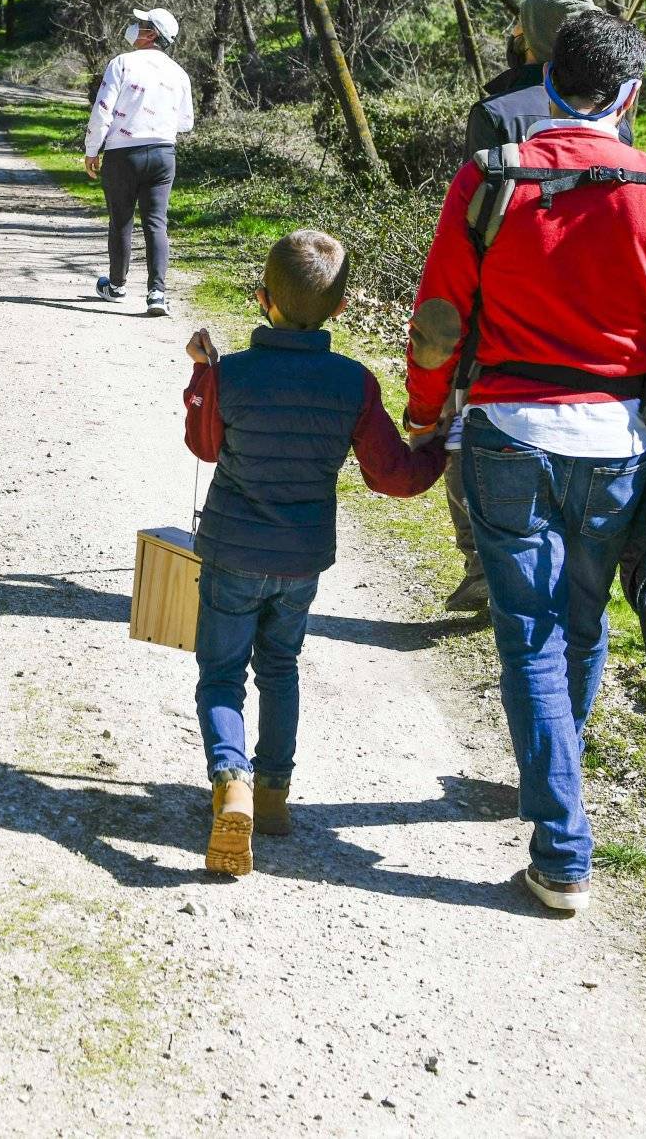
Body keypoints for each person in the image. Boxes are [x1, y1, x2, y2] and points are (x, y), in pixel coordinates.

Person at [403, 12, 646, 916]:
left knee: (527, 632)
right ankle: (552, 790)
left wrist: (423, 409)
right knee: (582, 624)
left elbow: (440, 316)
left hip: (506, 433)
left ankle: (561, 841)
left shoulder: (491, 177)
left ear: (545, 79)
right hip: (617, 444)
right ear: (631, 96)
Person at [181, 229, 445, 878]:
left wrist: (201, 373)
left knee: (220, 675)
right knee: (281, 667)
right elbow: (394, 476)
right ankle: (271, 795)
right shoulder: (352, 383)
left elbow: (204, 445)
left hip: (231, 552)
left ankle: (231, 778)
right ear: (343, 307)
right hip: (301, 562)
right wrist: (443, 440)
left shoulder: (232, 373)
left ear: (261, 298)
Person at [439, 0, 640, 616]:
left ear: (531, 35)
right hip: (597, 304)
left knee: (467, 420)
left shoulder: (496, 107)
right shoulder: (615, 106)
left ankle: (482, 557)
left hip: (503, 295)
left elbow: (472, 206)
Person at [83, 6, 195, 316]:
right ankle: (157, 293)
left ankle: (116, 285)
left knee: (121, 219)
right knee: (156, 222)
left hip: (123, 154)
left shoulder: (121, 64)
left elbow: (102, 110)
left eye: (141, 23)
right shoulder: (179, 73)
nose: (135, 26)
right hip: (162, 154)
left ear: (152, 34)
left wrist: (92, 150)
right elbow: (186, 122)